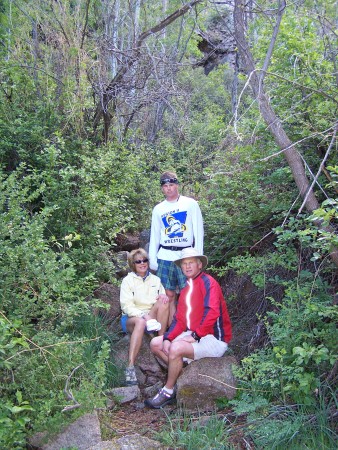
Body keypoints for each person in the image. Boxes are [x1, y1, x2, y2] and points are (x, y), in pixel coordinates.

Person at [144, 247, 232, 409]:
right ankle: (180, 372)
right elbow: (180, 320)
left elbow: (212, 312)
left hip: (214, 339)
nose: (187, 266)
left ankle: (169, 391)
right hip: (194, 334)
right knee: (157, 343)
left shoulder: (208, 283)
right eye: (184, 264)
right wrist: (168, 338)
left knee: (176, 348)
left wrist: (195, 336)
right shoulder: (185, 289)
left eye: (191, 263)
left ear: (200, 265)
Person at [148, 171, 204, 324]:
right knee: (168, 295)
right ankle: (171, 329)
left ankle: (190, 328)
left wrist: (198, 257)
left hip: (185, 255)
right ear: (162, 188)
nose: (169, 189)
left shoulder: (190, 204)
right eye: (165, 186)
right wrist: (153, 259)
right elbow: (155, 235)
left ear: (177, 185)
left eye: (171, 185)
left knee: (190, 294)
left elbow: (199, 231)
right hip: (165, 255)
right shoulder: (158, 209)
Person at [120, 248, 169, 386]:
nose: (142, 263)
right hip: (132, 318)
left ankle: (161, 340)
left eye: (145, 260)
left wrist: (163, 296)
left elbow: (162, 296)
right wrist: (143, 316)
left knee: (164, 301)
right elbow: (126, 306)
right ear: (133, 264)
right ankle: (130, 366)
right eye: (138, 261)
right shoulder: (127, 281)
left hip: (151, 317)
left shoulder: (156, 279)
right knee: (140, 323)